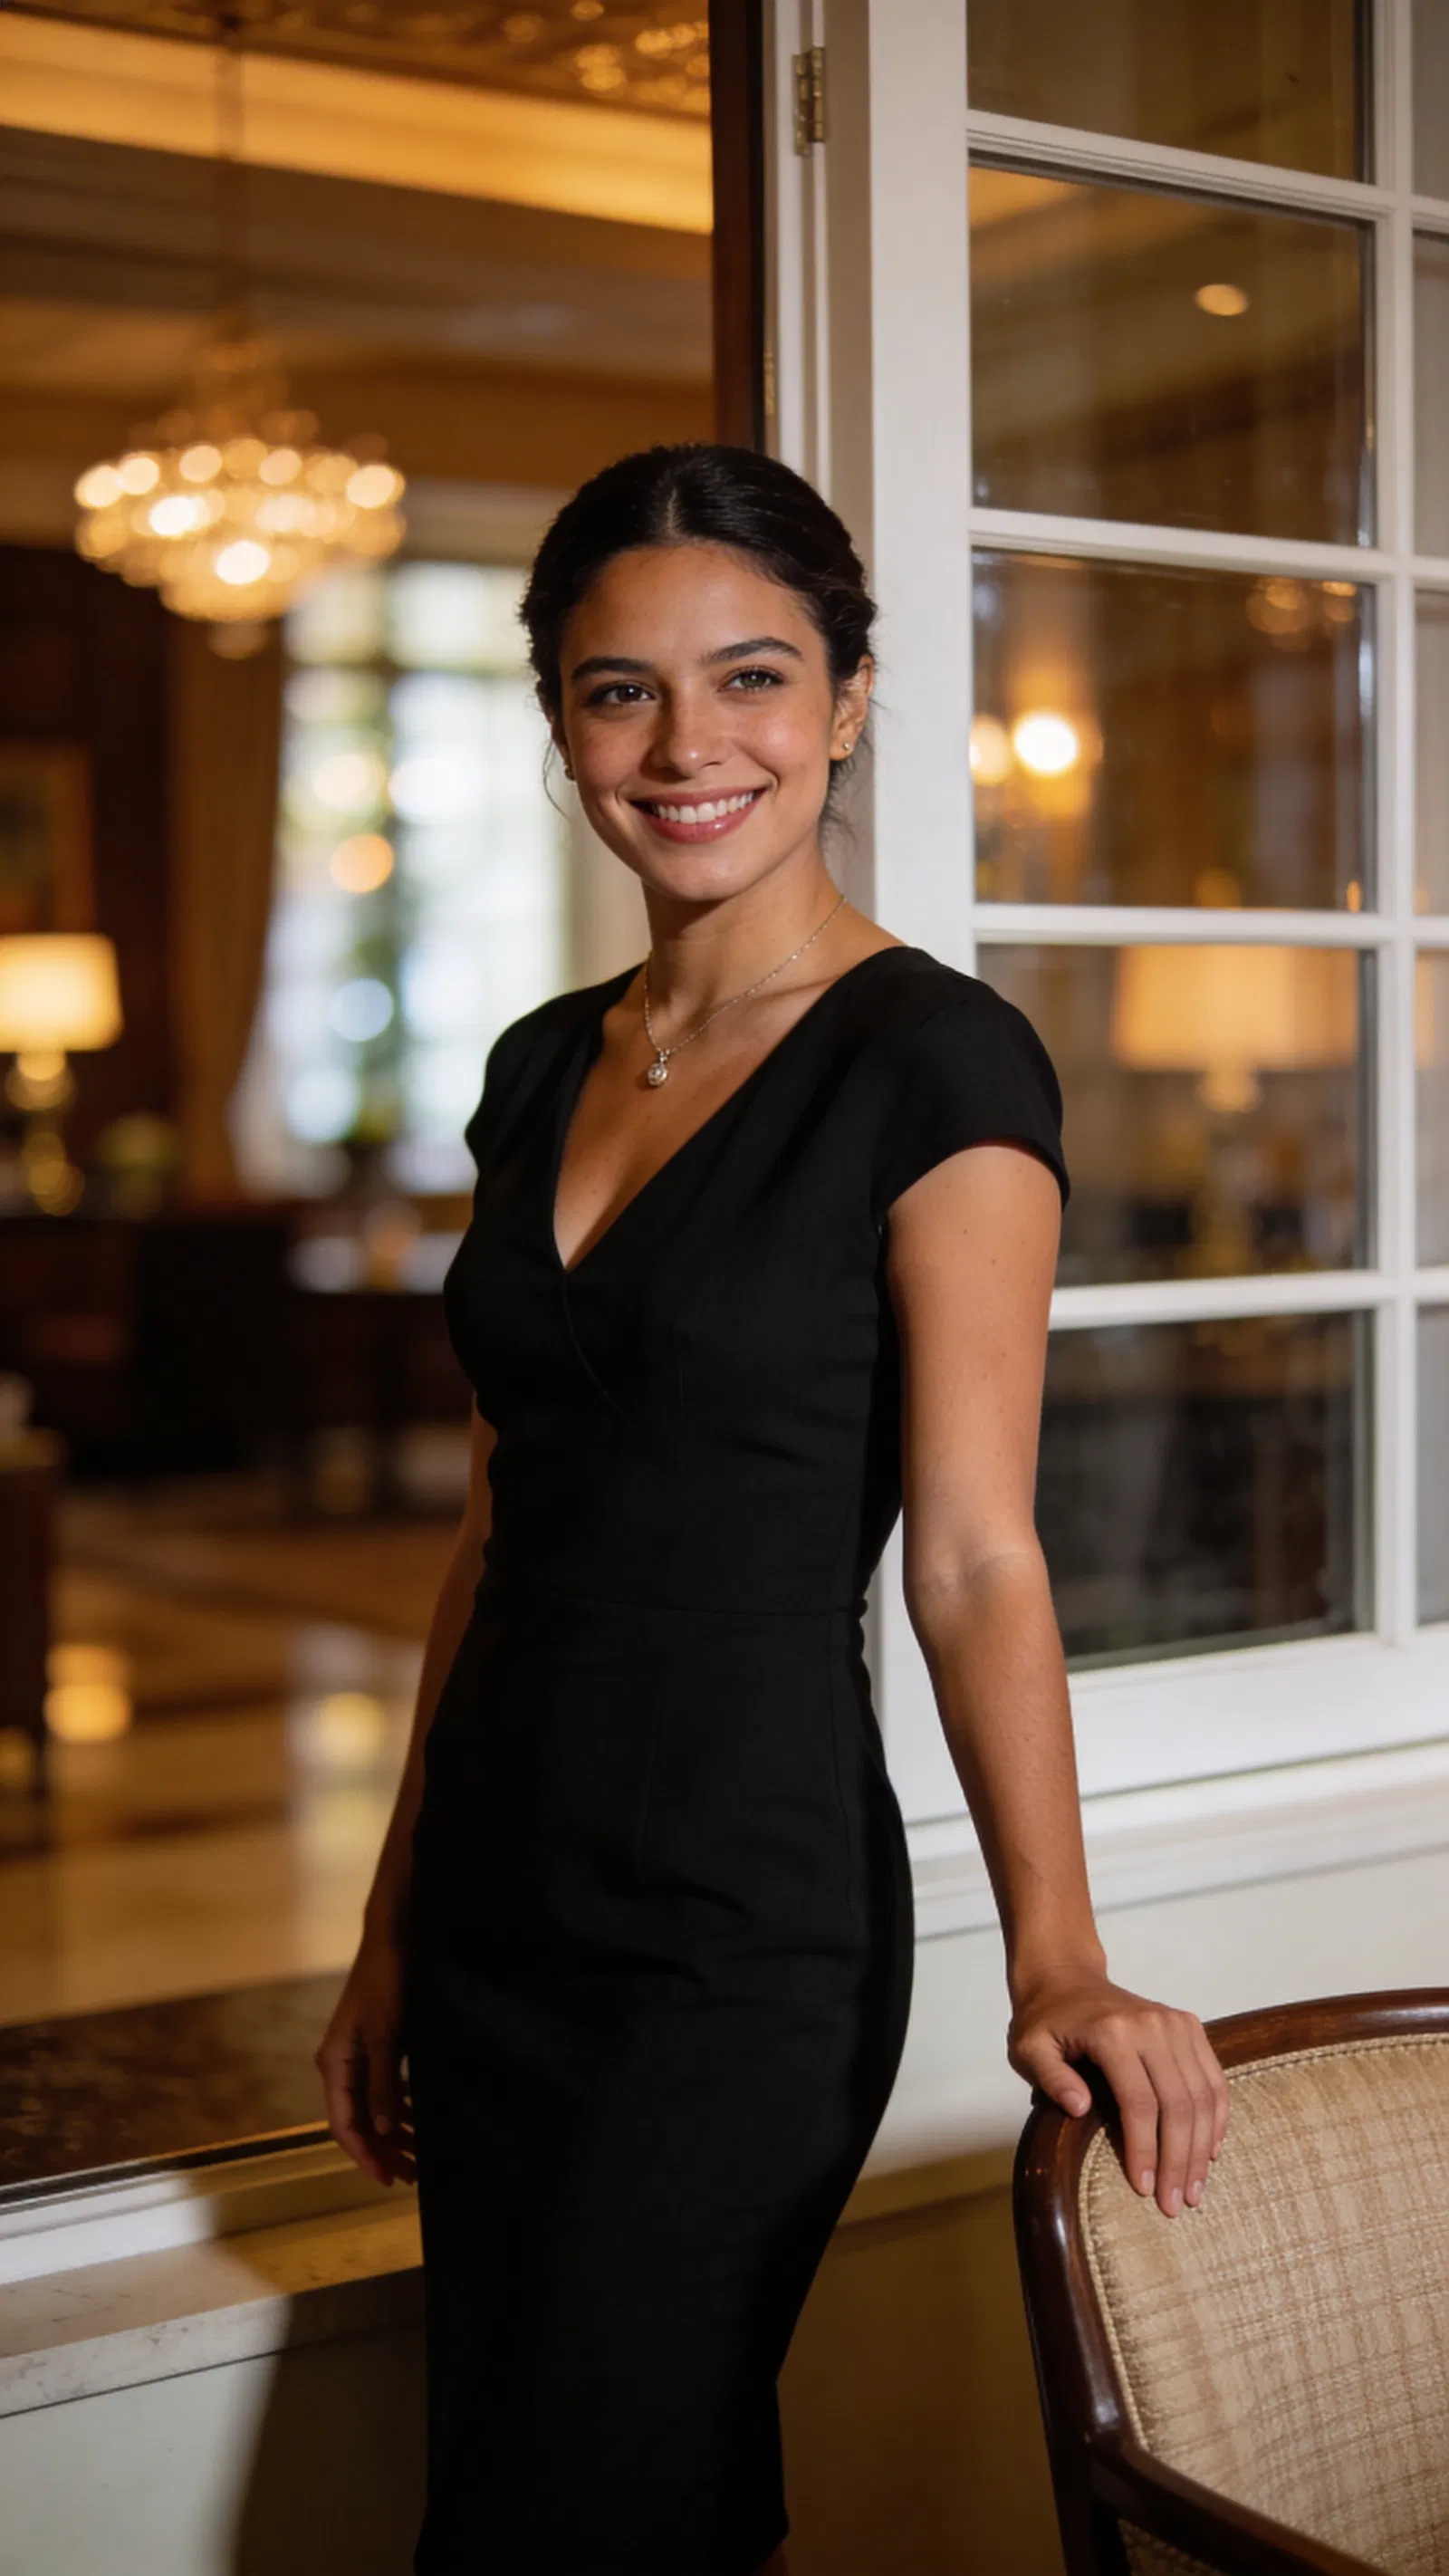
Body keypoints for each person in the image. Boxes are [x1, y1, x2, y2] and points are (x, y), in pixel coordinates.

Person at [316, 442, 1230, 2576]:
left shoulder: (939, 1062)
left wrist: (1059, 1953)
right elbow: (493, 1522)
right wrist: (385, 1926)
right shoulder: (541, 1063)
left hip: (734, 1922)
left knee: (588, 2508)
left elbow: (979, 1549)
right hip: (494, 1911)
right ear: (556, 727)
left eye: (750, 678)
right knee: (574, 2501)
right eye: (619, 690)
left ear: (842, 699)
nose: (687, 743)